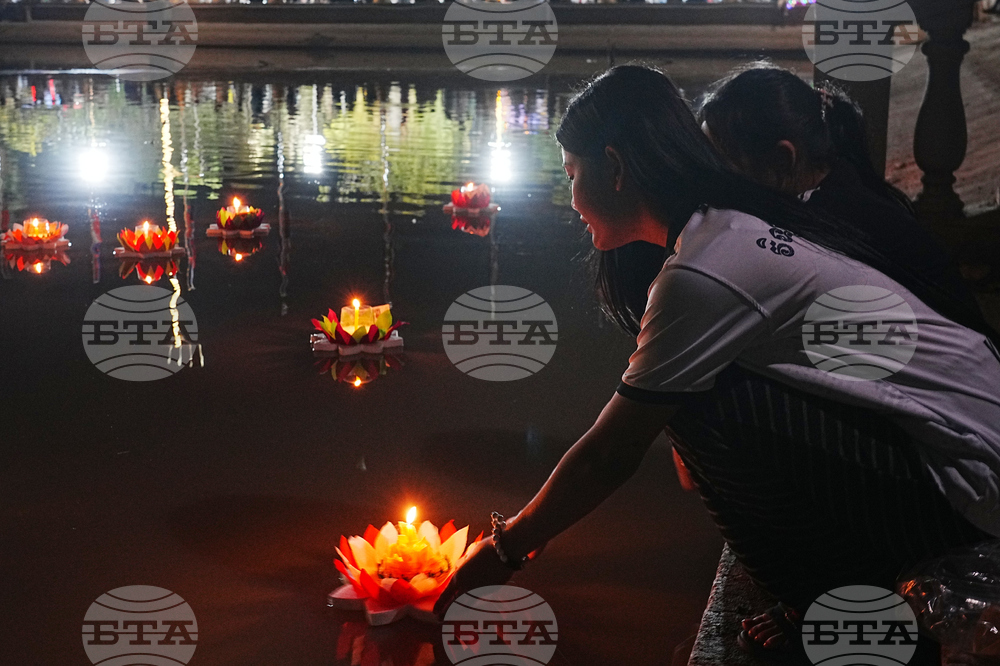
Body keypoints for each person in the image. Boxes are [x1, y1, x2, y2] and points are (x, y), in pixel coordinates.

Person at [432, 65, 1000, 663]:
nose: (570, 198)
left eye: (574, 175)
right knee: (686, 387)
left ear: (617, 169)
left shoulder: (705, 270)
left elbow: (609, 453)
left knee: (693, 404)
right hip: (966, 452)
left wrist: (506, 549)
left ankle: (822, 601)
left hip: (972, 493)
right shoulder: (730, 225)